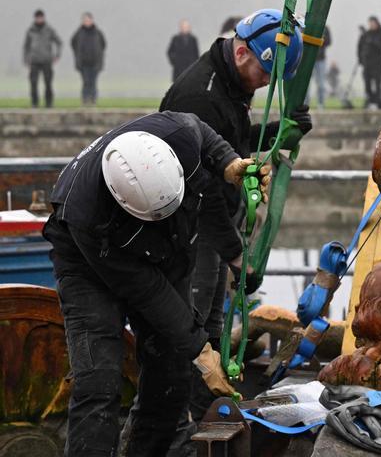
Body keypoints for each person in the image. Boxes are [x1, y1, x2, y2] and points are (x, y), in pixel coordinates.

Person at [42, 111, 266, 456]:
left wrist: (229, 163)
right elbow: (149, 292)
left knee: (171, 374)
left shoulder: (177, 134)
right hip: (87, 260)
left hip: (165, 247)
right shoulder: (91, 217)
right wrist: (204, 355)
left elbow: (203, 132)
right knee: (99, 379)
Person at [159, 8, 311, 438]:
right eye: (264, 71)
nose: (266, 82)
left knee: (209, 325)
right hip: (189, 227)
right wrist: (236, 254)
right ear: (242, 51)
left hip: (211, 221)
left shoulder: (229, 82)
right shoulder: (200, 97)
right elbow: (202, 192)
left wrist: (282, 129)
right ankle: (182, 428)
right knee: (191, 332)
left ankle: (207, 413)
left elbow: (233, 143)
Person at [23, 9, 62, 107]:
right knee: (33, 83)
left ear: (44, 18)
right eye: (37, 17)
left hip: (47, 60)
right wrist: (26, 59)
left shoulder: (49, 30)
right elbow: (26, 46)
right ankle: (34, 102)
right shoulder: (30, 31)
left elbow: (59, 42)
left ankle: (49, 103)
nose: (39, 19)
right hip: (34, 61)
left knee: (48, 83)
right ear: (35, 18)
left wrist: (57, 55)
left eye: (41, 17)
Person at [70, 12, 107, 106]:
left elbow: (103, 45)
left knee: (93, 82)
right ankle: (85, 100)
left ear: (91, 20)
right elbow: (73, 43)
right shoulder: (79, 33)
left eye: (88, 20)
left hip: (95, 62)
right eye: (85, 20)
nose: (87, 22)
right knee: (86, 82)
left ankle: (93, 100)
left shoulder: (98, 33)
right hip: (83, 63)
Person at [358, 17, 381, 108]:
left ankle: (377, 101)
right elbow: (360, 47)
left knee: (377, 84)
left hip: (377, 64)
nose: (371, 25)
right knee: (367, 83)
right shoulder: (365, 35)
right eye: (370, 23)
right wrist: (360, 59)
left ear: (377, 23)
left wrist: (374, 42)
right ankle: (370, 100)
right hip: (367, 63)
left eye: (373, 23)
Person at [314, 25, 332, 108]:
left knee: (321, 83)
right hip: (308, 58)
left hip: (321, 59)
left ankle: (321, 103)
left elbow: (329, 42)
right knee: (305, 83)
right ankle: (304, 103)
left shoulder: (325, 28)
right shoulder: (306, 25)